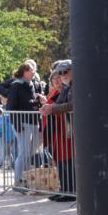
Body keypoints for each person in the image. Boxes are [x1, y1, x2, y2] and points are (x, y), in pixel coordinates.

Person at [41, 60, 74, 202]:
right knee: (62, 160)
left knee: (70, 160)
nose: (62, 75)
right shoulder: (67, 86)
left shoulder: (78, 84)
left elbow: (73, 104)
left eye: (65, 71)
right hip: (66, 127)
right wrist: (47, 108)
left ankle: (71, 191)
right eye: (60, 73)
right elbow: (60, 102)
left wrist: (52, 109)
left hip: (73, 127)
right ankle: (65, 189)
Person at [6, 62, 40, 189]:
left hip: (34, 122)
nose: (34, 72)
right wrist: (18, 125)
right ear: (25, 71)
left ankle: (25, 177)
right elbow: (10, 107)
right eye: (32, 70)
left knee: (30, 152)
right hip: (23, 123)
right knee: (23, 152)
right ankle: (19, 180)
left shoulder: (33, 84)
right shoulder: (16, 86)